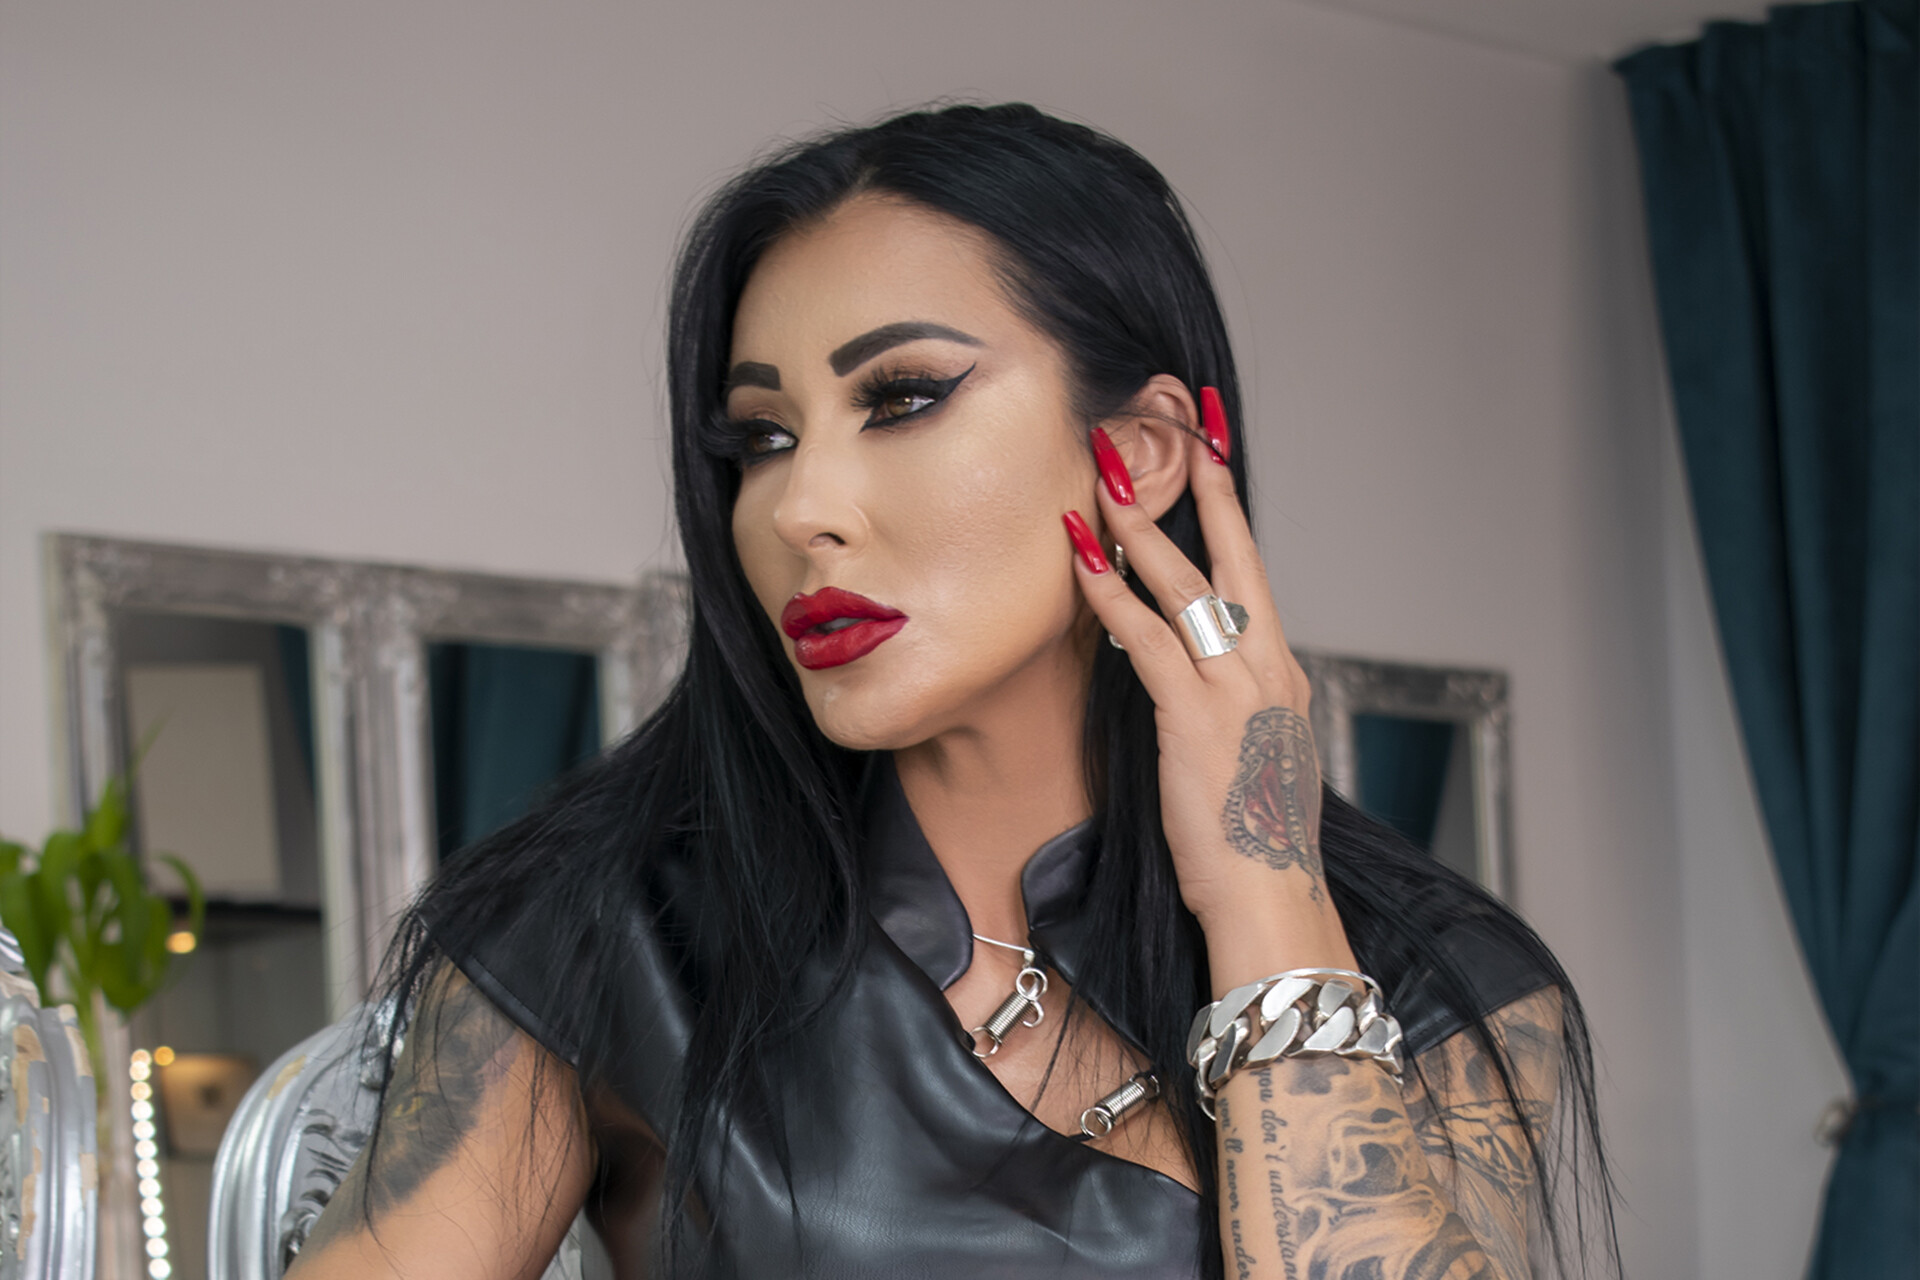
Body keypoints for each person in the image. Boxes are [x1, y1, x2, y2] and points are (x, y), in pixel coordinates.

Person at [287, 102, 1619, 1280]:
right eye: (762, 438)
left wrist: (1266, 892)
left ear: (1141, 450)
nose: (800, 508)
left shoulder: (1441, 977)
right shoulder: (612, 931)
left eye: (904, 397)